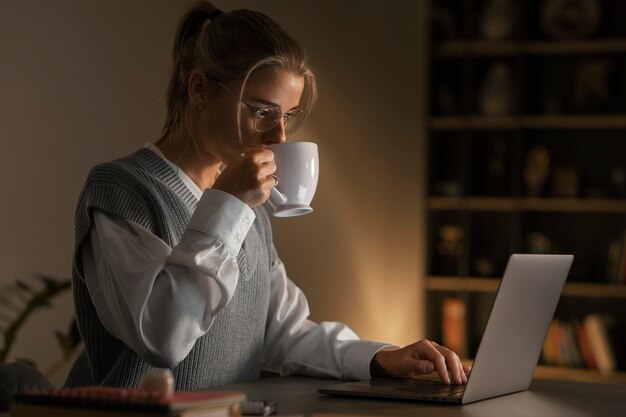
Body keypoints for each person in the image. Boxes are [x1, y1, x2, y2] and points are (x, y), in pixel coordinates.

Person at [65, 1, 470, 390]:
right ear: (200, 88)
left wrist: (380, 357)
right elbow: (163, 338)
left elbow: (285, 332)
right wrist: (227, 205)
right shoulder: (122, 190)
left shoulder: (248, 209)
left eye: (287, 116)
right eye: (261, 111)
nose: (278, 136)